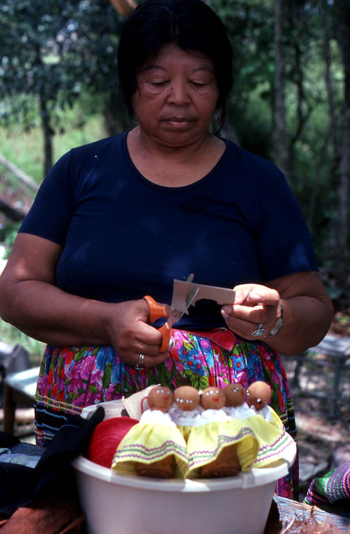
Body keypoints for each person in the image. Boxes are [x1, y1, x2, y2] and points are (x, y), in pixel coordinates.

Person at [0, 0, 333, 499]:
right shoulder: (81, 170)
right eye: (157, 82)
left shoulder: (258, 183)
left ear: (221, 88)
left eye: (199, 82)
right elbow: (16, 290)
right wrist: (106, 321)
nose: (179, 98)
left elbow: (314, 309)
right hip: (90, 426)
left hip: (229, 428)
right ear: (131, 85)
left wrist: (275, 317)